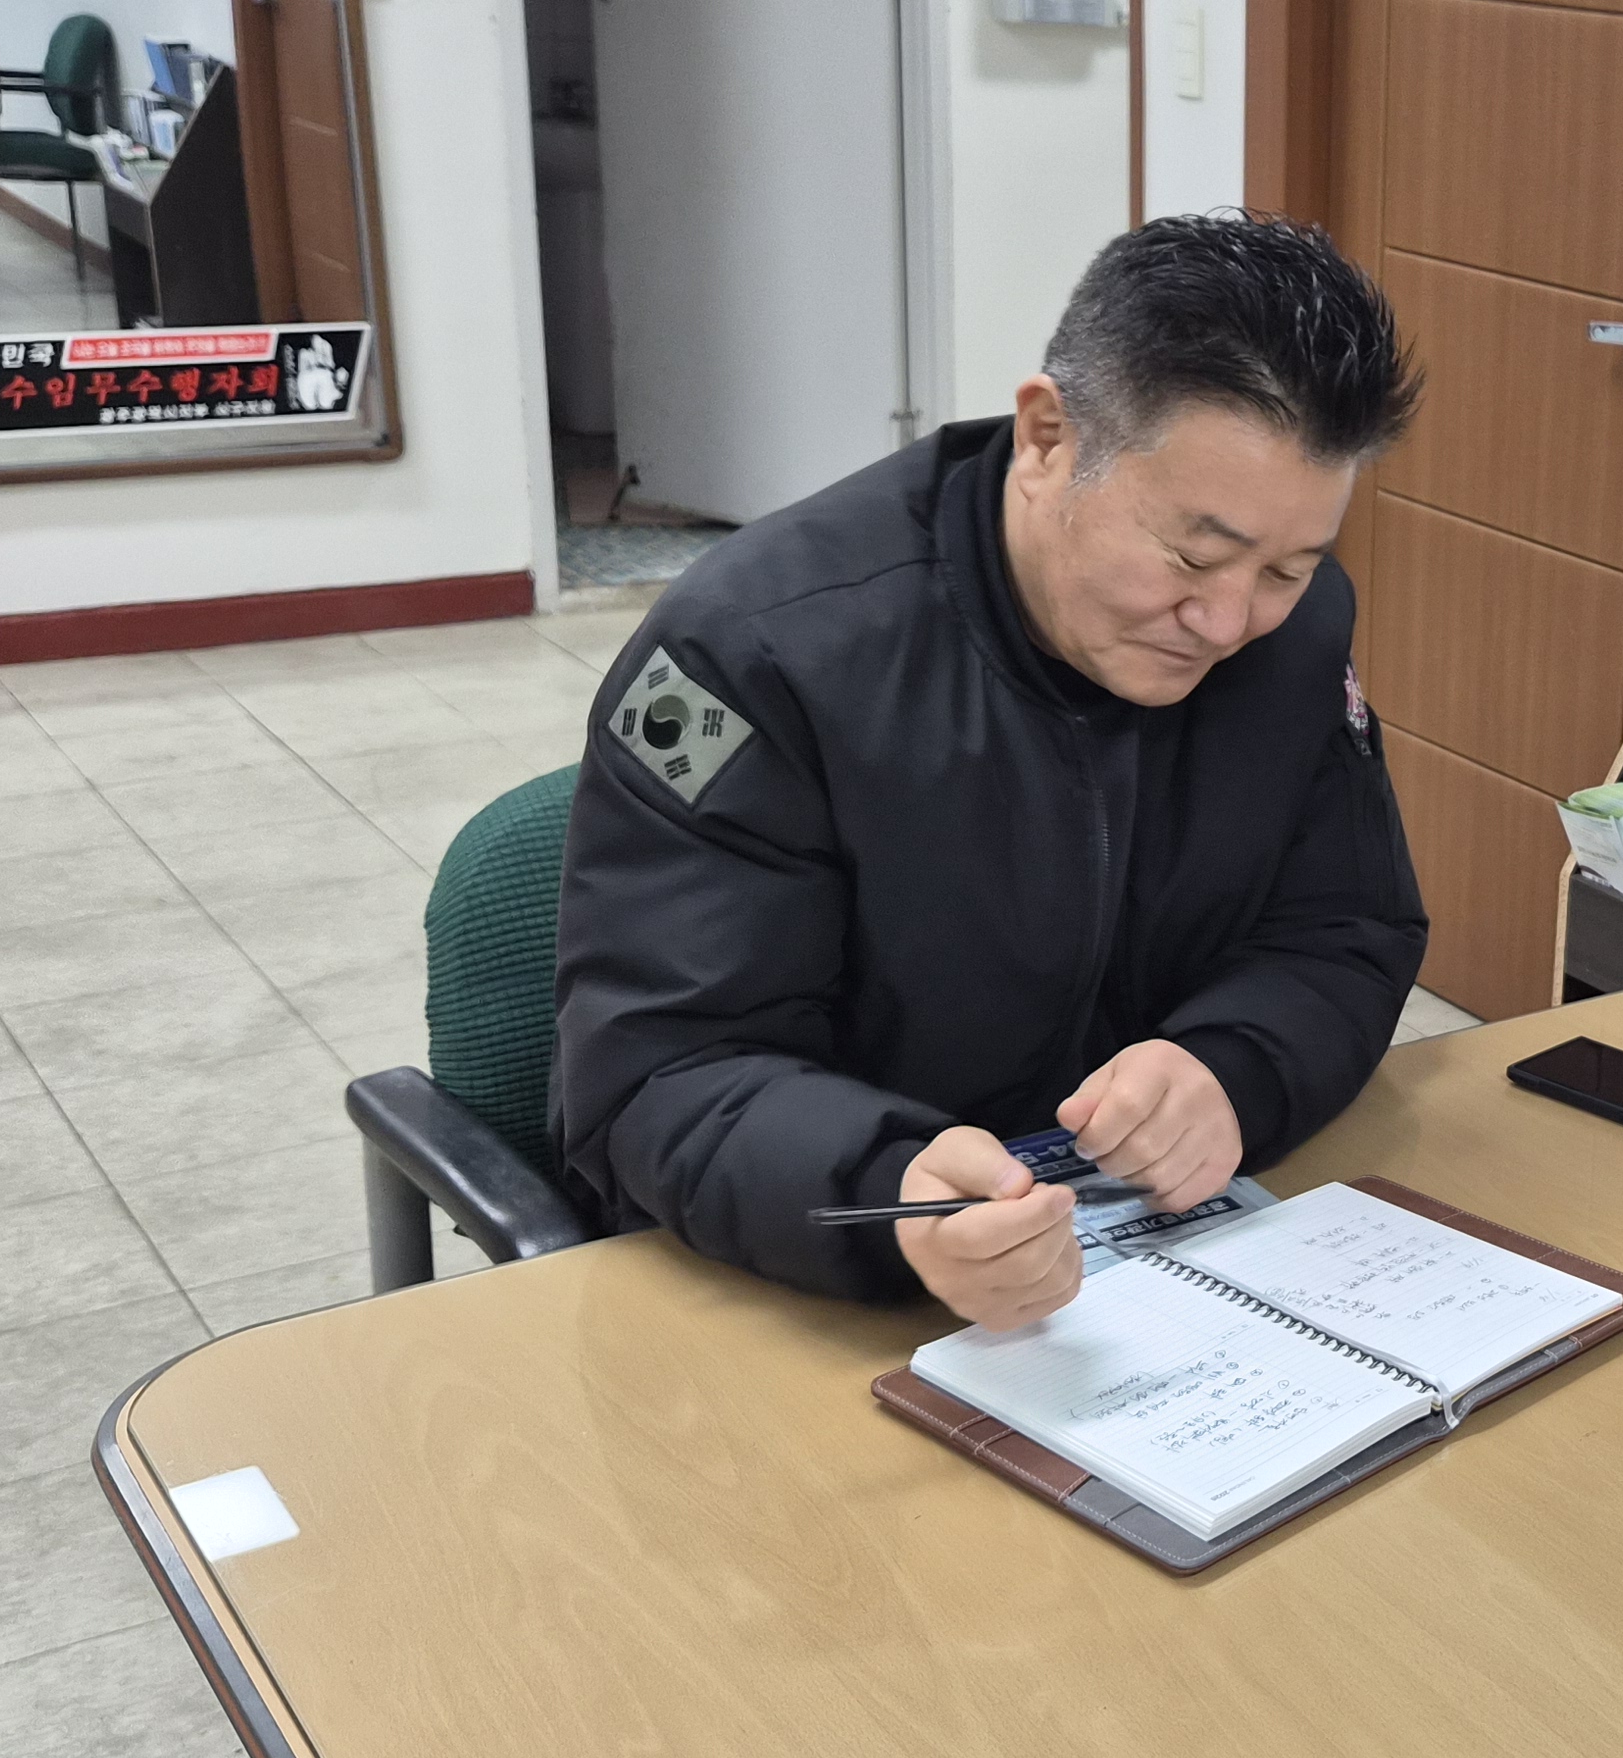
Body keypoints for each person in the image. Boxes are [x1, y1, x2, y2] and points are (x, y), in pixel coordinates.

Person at [555, 212, 1429, 1331]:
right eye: (1192, 555)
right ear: (1047, 437)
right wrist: (892, 1194)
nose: (1226, 621)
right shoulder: (758, 655)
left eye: (1289, 567)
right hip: (820, 1281)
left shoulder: (1291, 637)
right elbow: (656, 1076)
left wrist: (1232, 1069)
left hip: (1151, 1277)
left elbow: (1346, 929)